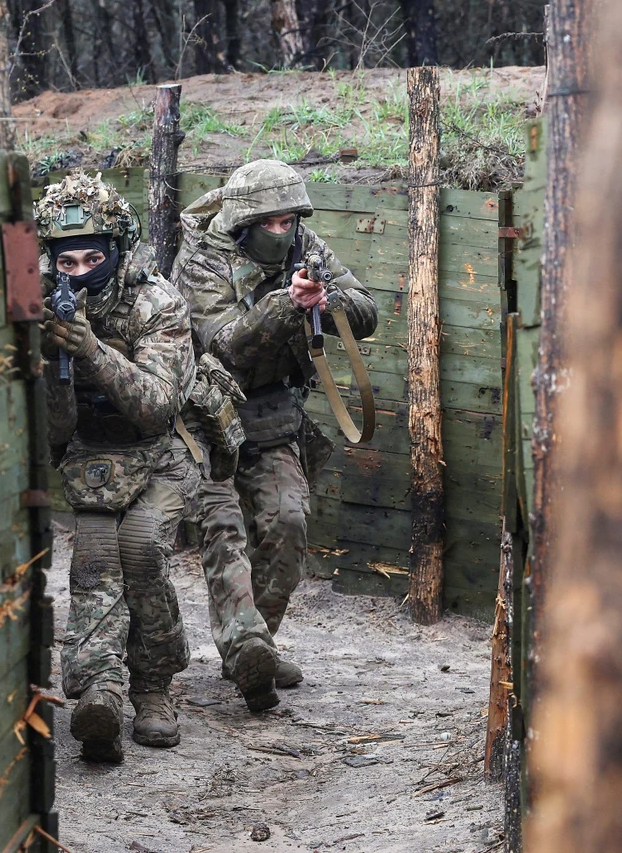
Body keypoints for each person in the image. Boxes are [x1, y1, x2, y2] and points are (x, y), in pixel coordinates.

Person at [172, 160, 378, 712]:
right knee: (224, 533)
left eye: (290, 222)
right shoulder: (203, 259)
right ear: (244, 222)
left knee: (289, 522)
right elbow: (224, 343)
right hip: (204, 422)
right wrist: (287, 303)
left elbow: (367, 309)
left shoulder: (305, 247)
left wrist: (326, 301)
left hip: (272, 418)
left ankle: (254, 643)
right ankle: (247, 648)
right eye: (271, 223)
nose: (283, 232)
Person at [36, 172, 200, 762]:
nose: (79, 272)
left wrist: (90, 350)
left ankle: (154, 687)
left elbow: (157, 405)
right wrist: (51, 360)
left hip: (164, 450)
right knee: (95, 557)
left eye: (92, 258)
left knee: (142, 547)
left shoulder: (157, 302)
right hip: (93, 457)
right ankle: (98, 690)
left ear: (117, 250)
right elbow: (55, 433)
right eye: (67, 262)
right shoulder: (40, 307)